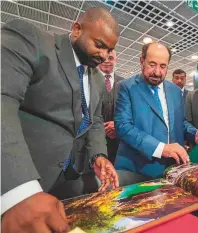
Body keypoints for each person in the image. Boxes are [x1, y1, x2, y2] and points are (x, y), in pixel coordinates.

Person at [1, 8, 120, 233]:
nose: (104, 56)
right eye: (100, 45)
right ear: (76, 30)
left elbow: (94, 120)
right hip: (20, 182)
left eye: (110, 50)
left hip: (68, 181)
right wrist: (20, 190)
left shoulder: (95, 77)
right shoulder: (32, 40)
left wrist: (99, 156)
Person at [114, 42, 198, 178]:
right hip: (136, 170)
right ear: (142, 61)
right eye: (152, 65)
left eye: (163, 66)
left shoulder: (174, 90)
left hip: (172, 169)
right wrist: (161, 148)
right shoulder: (126, 87)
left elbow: (180, 123)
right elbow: (123, 127)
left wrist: (194, 133)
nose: (157, 72)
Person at [98, 50, 124, 164]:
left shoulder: (124, 83)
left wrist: (117, 125)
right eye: (103, 58)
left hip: (119, 144)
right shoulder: (87, 80)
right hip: (95, 142)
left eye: (110, 58)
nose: (107, 61)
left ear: (116, 60)